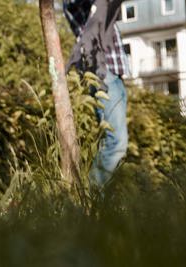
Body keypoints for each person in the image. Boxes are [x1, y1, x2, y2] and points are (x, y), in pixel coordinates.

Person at [64, 0, 129, 188]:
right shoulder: (76, 3)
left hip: (114, 72)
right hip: (103, 73)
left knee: (110, 143)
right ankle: (88, 198)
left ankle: (98, 202)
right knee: (116, 143)